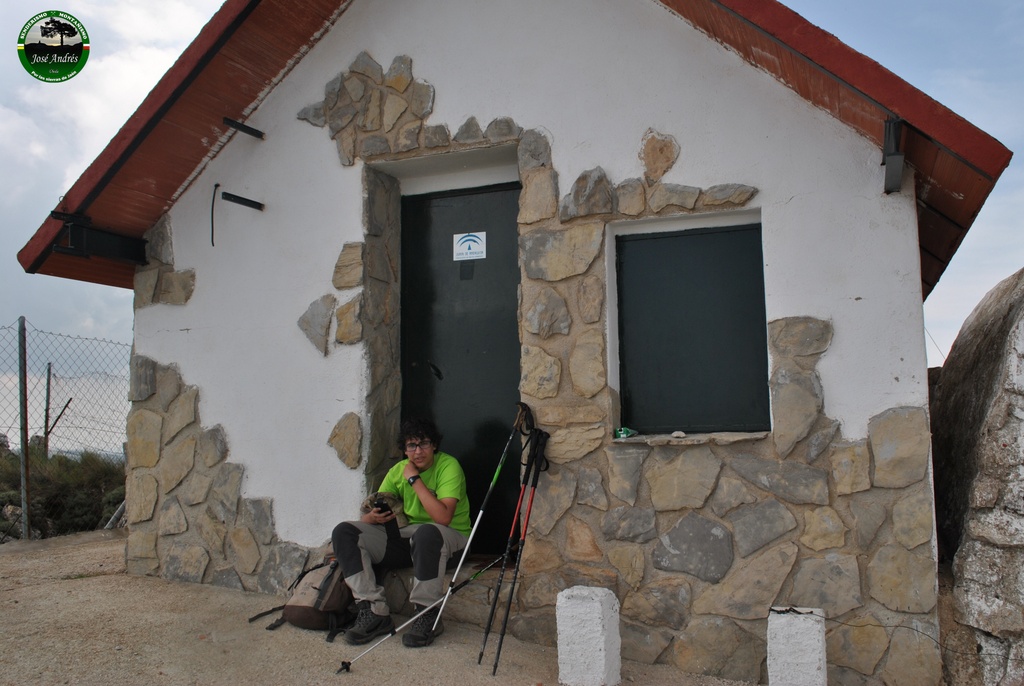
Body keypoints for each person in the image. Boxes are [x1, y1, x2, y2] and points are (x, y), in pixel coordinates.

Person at [332, 418, 471, 648]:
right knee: (344, 532)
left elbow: (443, 517)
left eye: (423, 444)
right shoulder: (397, 471)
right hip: (407, 538)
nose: (417, 452)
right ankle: (373, 611)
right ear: (404, 449)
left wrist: (414, 479)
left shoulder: (448, 466)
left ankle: (427, 614)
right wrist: (371, 518)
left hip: (448, 538)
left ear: (434, 445)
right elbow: (374, 509)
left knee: (426, 533)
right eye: (411, 446)